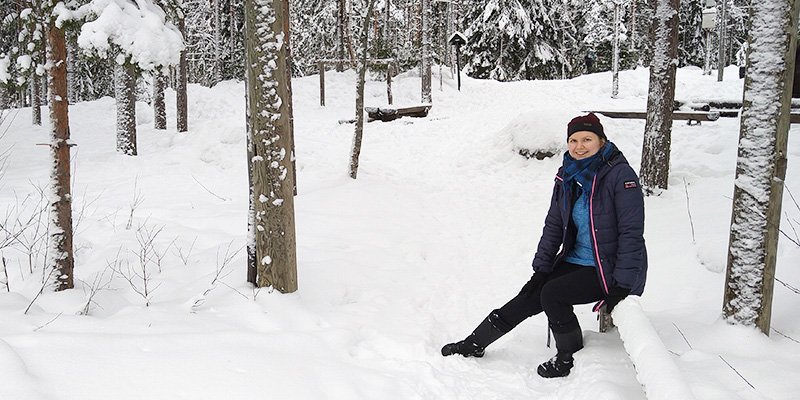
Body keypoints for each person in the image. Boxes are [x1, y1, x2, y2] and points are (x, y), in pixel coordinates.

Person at [441, 113, 647, 378]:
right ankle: (475, 342)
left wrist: (622, 283)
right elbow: (554, 225)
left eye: (587, 139)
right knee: (533, 292)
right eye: (573, 140)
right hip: (578, 260)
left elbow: (632, 233)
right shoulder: (568, 175)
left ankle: (568, 358)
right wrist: (542, 269)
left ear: (601, 141)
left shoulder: (620, 176)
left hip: (611, 267)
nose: (579, 146)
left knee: (553, 294)